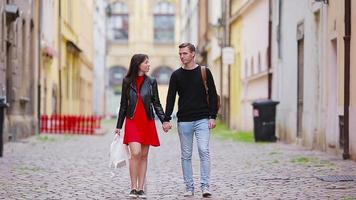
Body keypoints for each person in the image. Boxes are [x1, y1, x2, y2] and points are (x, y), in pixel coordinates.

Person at [163, 43, 219, 198]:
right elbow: (170, 98)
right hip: (184, 120)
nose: (182, 56)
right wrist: (166, 119)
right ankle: (189, 187)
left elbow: (213, 95)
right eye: (180, 53)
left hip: (202, 119)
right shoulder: (176, 75)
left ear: (193, 54)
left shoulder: (204, 72)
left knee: (204, 150)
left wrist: (213, 116)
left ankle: (206, 186)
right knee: (186, 155)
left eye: (185, 53)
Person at [115, 54, 166, 199]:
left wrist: (164, 120)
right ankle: (132, 187)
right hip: (132, 121)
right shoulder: (127, 81)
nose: (149, 64)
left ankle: (140, 188)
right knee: (135, 153)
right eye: (146, 62)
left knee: (144, 156)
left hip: (147, 122)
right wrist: (119, 125)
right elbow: (123, 105)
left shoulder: (152, 82)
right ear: (138, 64)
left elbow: (156, 103)